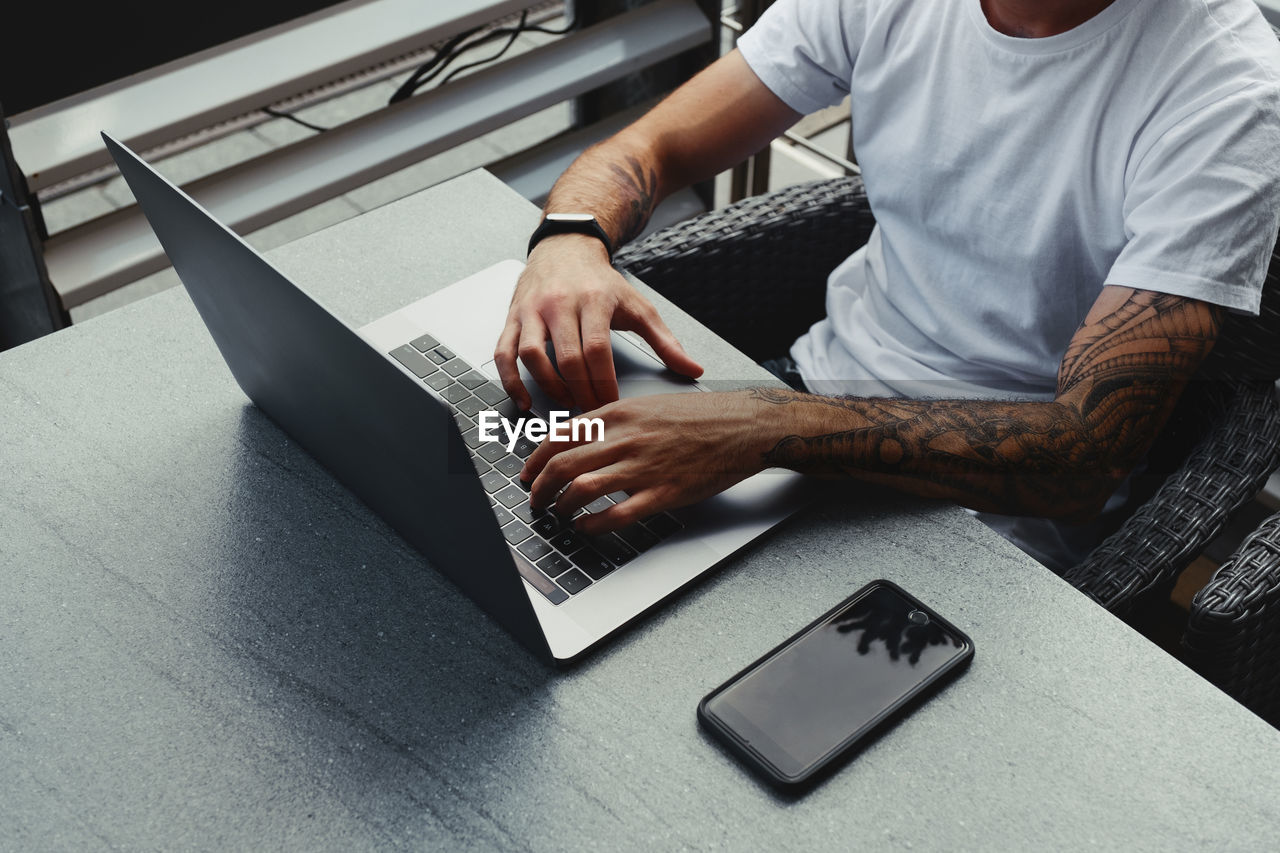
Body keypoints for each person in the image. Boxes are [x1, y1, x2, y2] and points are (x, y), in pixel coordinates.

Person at [494, 0, 1280, 571]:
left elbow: (1084, 456)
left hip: (981, 520)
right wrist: (570, 238)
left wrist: (767, 429)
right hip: (792, 404)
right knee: (491, 496)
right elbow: (654, 145)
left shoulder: (1229, 93)